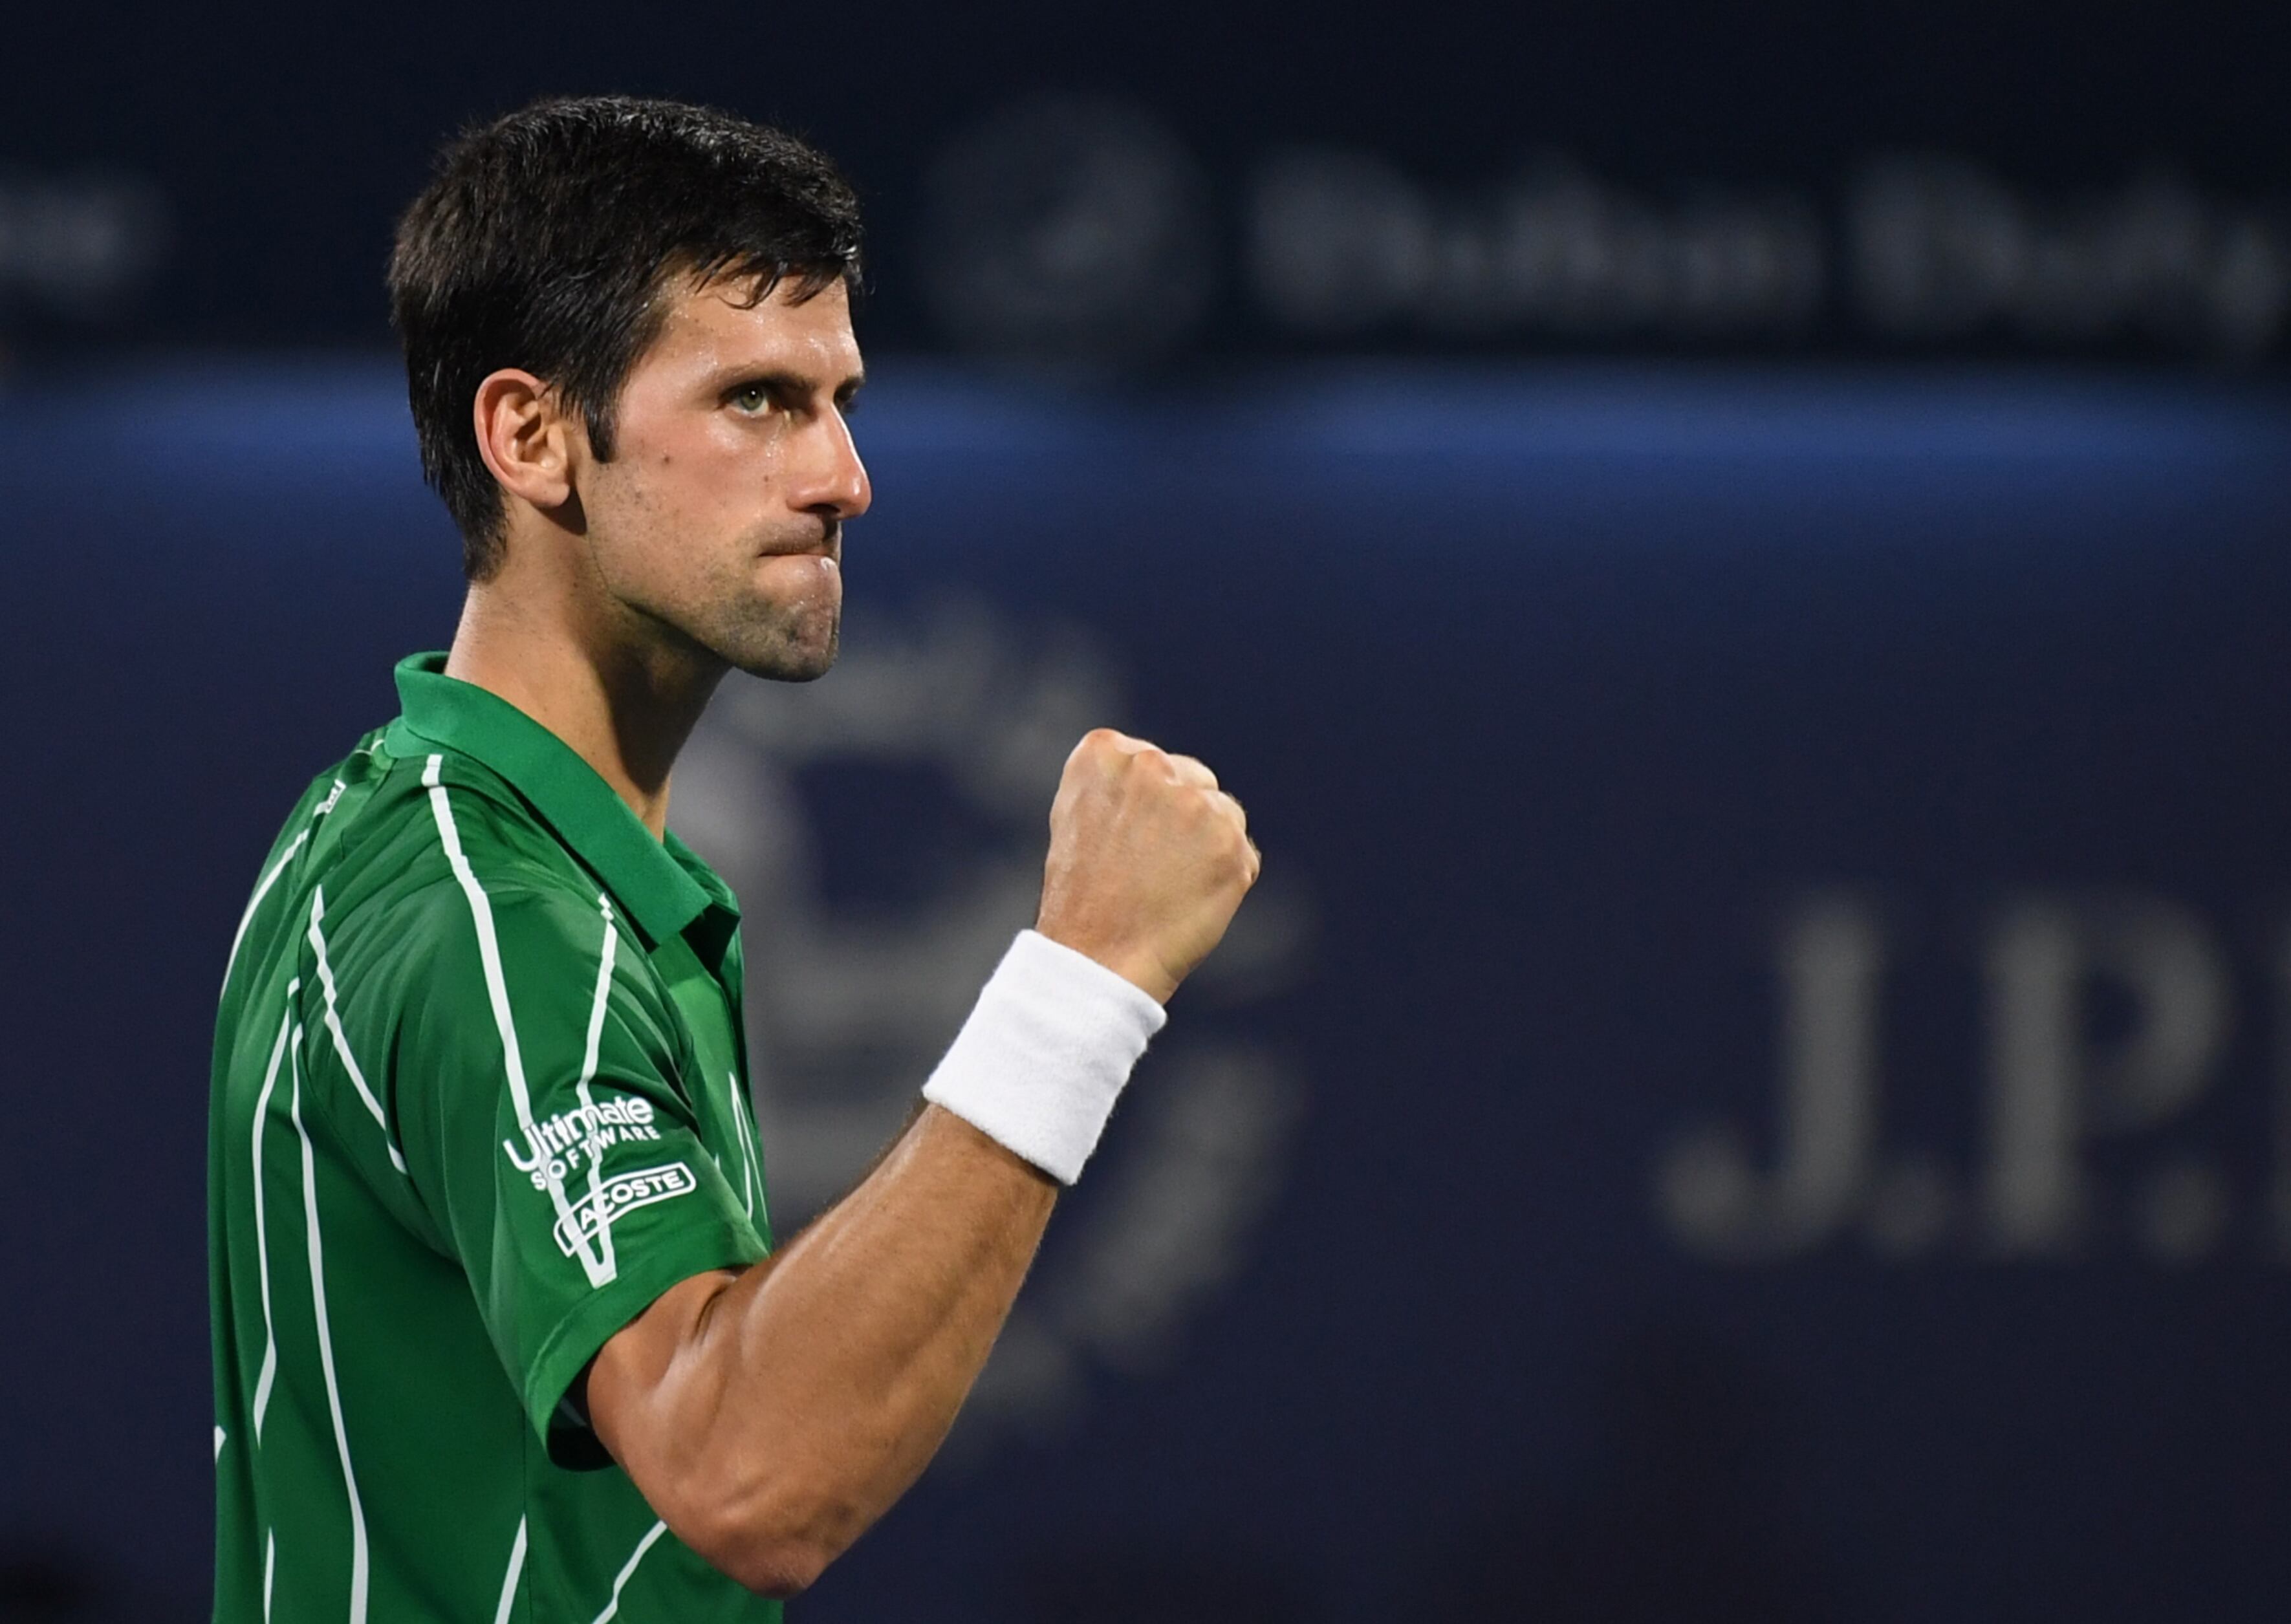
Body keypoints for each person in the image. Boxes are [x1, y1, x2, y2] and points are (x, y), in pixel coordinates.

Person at [207, 95, 1257, 1623]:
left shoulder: (437, 840)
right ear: (532, 436)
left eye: (838, 399)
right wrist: (1084, 979)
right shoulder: (488, 920)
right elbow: (746, 1472)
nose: (844, 477)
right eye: (758, 399)